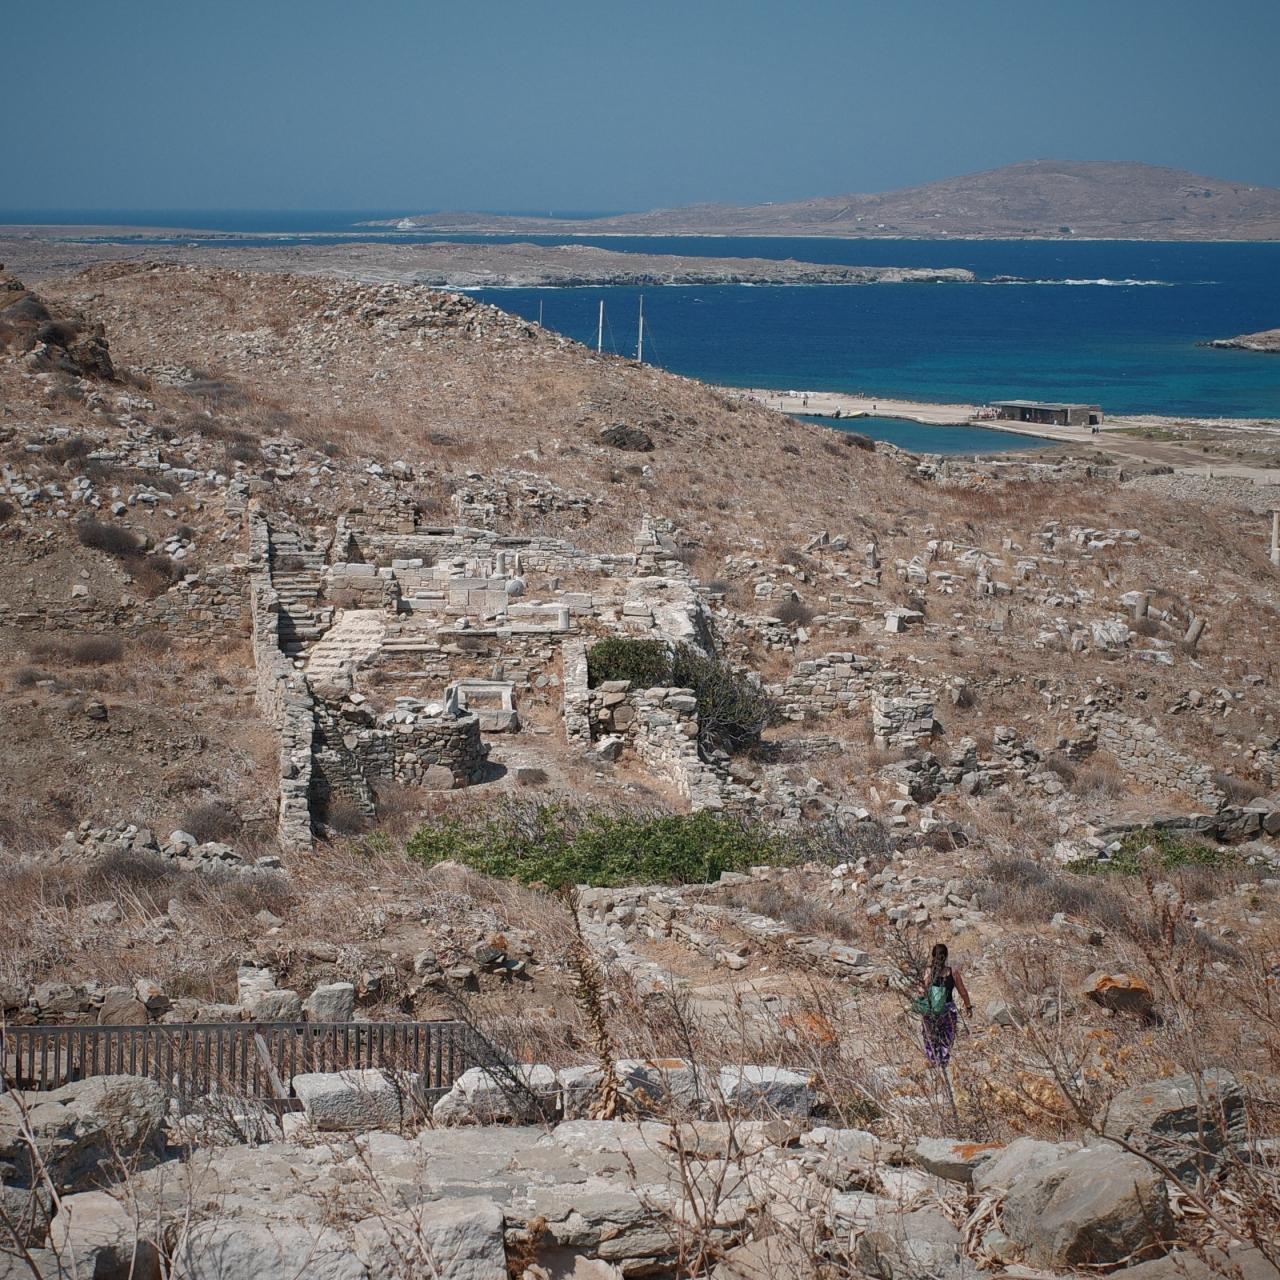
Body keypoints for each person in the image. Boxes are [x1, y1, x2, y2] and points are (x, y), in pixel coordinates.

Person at [917, 943, 971, 1068]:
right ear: (946, 956)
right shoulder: (953, 973)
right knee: (947, 1038)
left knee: (930, 1037)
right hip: (948, 1011)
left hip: (931, 1011)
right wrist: (968, 1006)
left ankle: (933, 1061)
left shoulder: (928, 971)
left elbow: (921, 991)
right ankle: (943, 1063)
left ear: (933, 956)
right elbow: (963, 992)